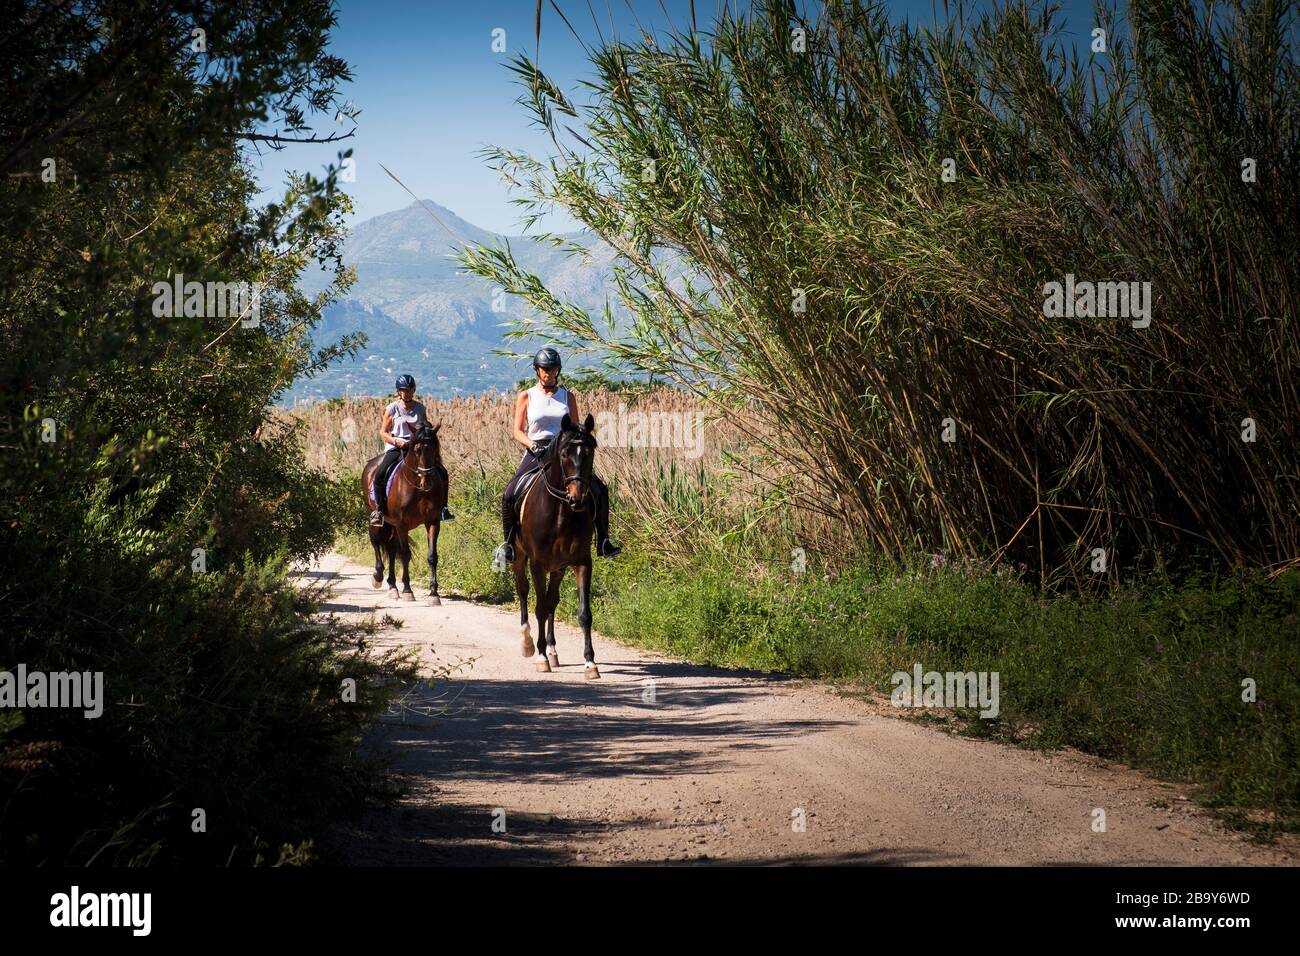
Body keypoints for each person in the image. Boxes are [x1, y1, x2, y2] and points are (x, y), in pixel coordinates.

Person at [496, 348, 621, 562]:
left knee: (599, 488)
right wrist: (532, 445)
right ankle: (508, 545)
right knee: (509, 493)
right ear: (537, 370)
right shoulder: (526, 396)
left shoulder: (567, 396)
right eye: (545, 369)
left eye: (553, 369)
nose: (549, 373)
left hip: (565, 451)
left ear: (558, 371)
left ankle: (603, 541)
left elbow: (576, 428)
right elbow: (517, 430)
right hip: (537, 450)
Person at [370, 374, 455, 527]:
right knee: (380, 473)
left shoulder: (420, 408)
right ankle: (379, 511)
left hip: (417, 447)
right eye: (403, 390)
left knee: (442, 471)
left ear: (413, 391)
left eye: (409, 390)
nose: (406, 393)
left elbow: (423, 428)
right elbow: (383, 432)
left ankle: (443, 509)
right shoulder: (392, 409)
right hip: (397, 447)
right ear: (398, 391)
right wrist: (397, 441)